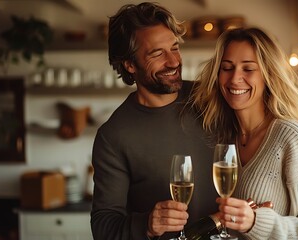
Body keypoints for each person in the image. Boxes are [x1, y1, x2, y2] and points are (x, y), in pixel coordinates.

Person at [90, 2, 218, 239]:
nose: (173, 62)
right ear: (130, 64)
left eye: (175, 48)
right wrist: (148, 224)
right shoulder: (113, 136)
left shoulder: (209, 98)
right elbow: (103, 227)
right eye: (157, 54)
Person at [189, 27, 298, 239]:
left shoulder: (290, 136)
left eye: (248, 69)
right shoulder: (225, 137)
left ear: (267, 74)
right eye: (227, 68)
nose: (235, 78)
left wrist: (256, 222)